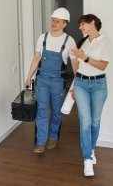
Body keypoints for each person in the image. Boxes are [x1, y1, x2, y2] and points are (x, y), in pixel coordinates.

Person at [25, 8, 77, 153]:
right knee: (41, 110)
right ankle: (40, 142)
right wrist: (29, 77)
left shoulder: (69, 41)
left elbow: (74, 64)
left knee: (56, 111)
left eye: (57, 21)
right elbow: (36, 58)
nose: (54, 23)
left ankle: (53, 137)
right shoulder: (43, 37)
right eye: (53, 20)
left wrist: (77, 83)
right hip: (42, 79)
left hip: (58, 81)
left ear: (64, 24)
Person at [71, 14, 110, 177]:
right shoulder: (82, 42)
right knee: (85, 121)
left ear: (92, 23)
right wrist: (73, 86)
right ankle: (87, 159)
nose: (80, 27)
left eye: (82, 24)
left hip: (99, 85)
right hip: (80, 84)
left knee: (95, 121)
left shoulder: (105, 41)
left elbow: (102, 66)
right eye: (79, 25)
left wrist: (84, 57)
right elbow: (76, 65)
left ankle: (91, 149)